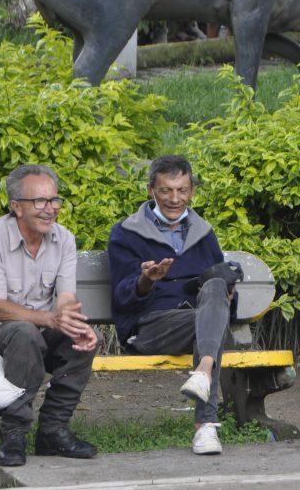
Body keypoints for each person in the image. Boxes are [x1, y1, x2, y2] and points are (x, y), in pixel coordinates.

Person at [0, 164, 99, 467]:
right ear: (16, 207)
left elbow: (65, 298)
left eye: (54, 200)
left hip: (37, 332)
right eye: (39, 202)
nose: (50, 209)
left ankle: (52, 430)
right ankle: (14, 433)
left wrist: (72, 322)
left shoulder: (63, 239)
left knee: (82, 338)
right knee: (23, 332)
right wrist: (51, 319)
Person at [108, 155, 234, 455]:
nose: (175, 199)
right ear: (152, 190)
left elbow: (223, 293)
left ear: (191, 191)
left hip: (197, 322)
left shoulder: (203, 232)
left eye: (182, 190)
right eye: (166, 190)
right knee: (212, 330)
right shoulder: (126, 233)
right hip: (151, 326)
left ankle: (203, 377)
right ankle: (205, 423)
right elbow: (122, 298)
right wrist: (146, 280)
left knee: (216, 285)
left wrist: (226, 293)